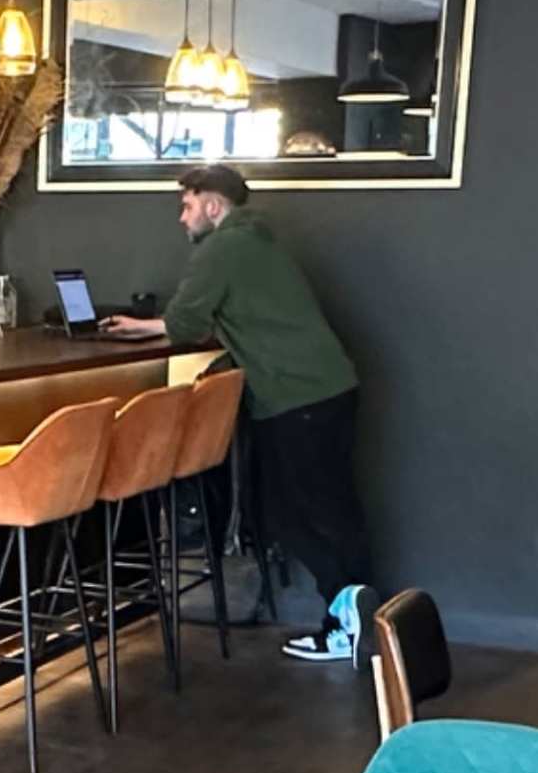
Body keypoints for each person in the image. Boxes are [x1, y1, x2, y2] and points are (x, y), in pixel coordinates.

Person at [100, 163, 369, 659]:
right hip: (329, 387)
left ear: (212, 204)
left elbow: (185, 322)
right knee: (333, 512)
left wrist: (149, 326)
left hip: (297, 393)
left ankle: (346, 627)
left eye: (186, 206)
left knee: (297, 515)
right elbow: (198, 321)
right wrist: (147, 328)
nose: (182, 219)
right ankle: (361, 624)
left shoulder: (223, 247)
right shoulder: (257, 241)